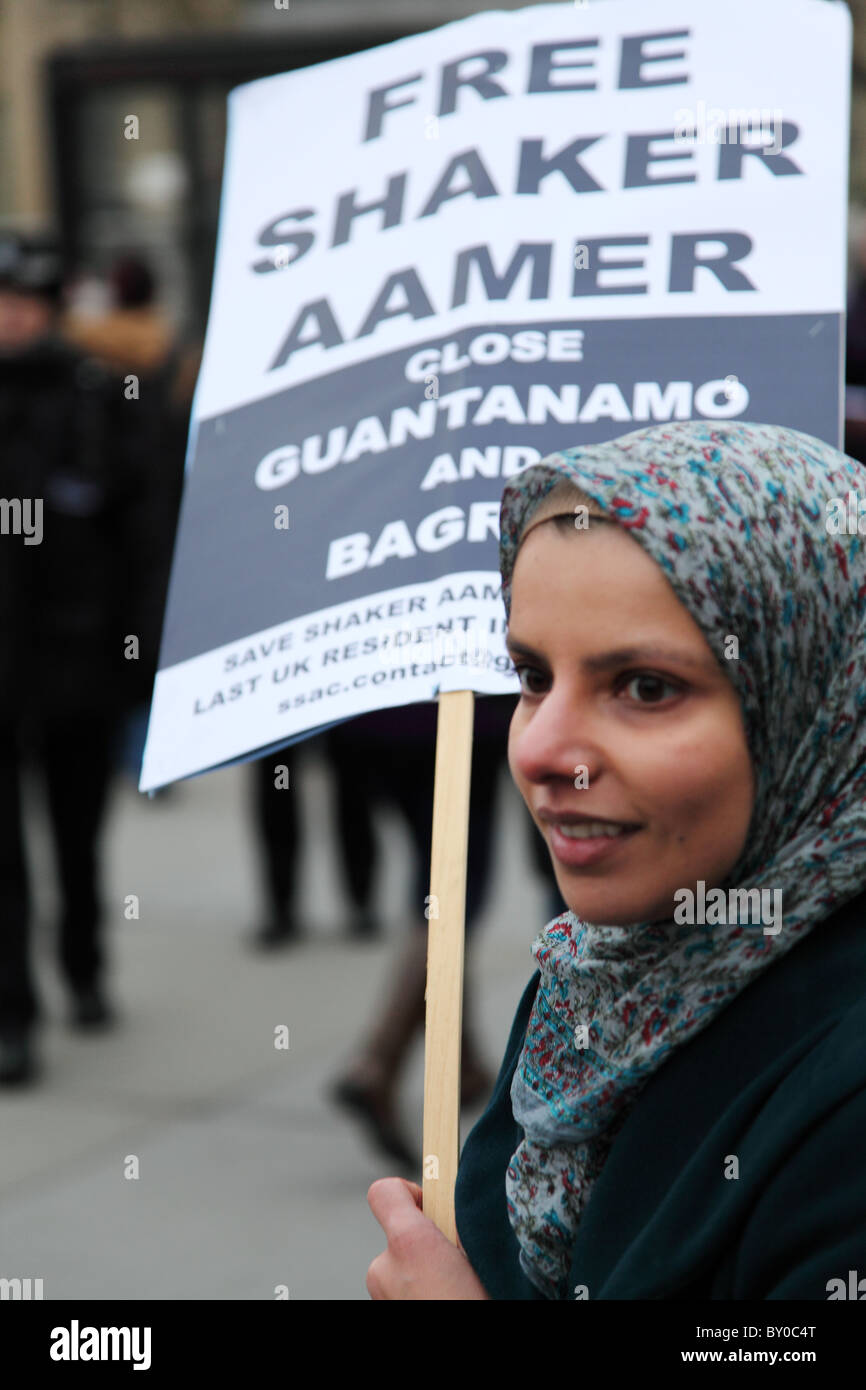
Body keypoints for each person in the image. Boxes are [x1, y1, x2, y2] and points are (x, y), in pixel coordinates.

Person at [364, 419, 866, 1299]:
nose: (544, 750)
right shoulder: (598, 972)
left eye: (645, 687)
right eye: (532, 676)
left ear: (815, 699)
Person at [0, 233, 164, 1085]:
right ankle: (12, 1014)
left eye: (22, 303)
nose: (8, 318)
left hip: (77, 659)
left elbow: (141, 531)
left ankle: (84, 964)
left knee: (75, 831)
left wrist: (138, 649)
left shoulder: (97, 396)